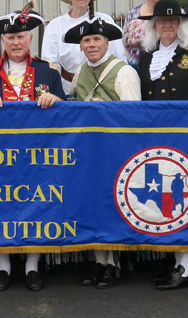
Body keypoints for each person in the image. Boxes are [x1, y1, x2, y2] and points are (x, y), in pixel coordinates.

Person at [0, 10, 65, 292]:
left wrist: (55, 98)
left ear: (30, 38)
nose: (16, 42)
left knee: (37, 207)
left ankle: (33, 266)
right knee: (0, 207)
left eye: (21, 36)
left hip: (40, 153)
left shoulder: (49, 71)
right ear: (3, 40)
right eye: (10, 37)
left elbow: (65, 108)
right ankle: (3, 266)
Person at [136, 0, 188, 290]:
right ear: (154, 25)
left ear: (181, 24)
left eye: (173, 21)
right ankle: (173, 261)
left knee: (185, 200)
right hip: (158, 140)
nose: (167, 25)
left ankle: (186, 267)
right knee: (165, 203)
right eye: (162, 21)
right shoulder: (146, 58)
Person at [65, 15, 138, 288]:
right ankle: (99, 260)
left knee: (111, 204)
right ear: (81, 46)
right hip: (86, 150)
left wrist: (106, 110)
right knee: (92, 205)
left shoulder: (124, 71)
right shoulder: (80, 73)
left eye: (97, 39)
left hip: (114, 149)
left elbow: (134, 117)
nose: (92, 44)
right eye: (86, 40)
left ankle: (113, 263)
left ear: (107, 43)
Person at [42, 0, 127, 95]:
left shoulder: (105, 20)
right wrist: (56, 92)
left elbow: (119, 58)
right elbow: (50, 65)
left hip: (102, 89)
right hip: (65, 90)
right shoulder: (55, 26)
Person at [122, 0, 173, 68]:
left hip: (165, 73)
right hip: (135, 74)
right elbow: (124, 46)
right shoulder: (132, 14)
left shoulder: (176, 14)